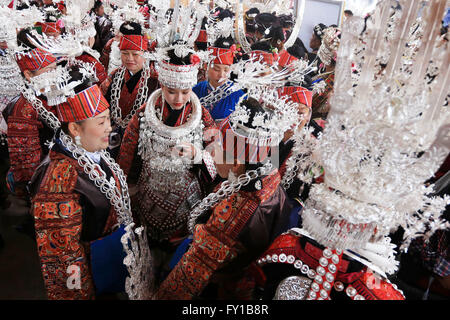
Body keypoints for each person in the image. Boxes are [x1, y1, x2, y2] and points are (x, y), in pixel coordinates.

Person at [154, 96, 295, 300]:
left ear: (237, 163)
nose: (212, 152)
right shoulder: (270, 175)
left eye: (218, 148)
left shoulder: (229, 218)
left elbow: (185, 280)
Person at [116, 45, 218, 284]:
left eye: (185, 91)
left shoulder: (202, 116)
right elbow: (128, 152)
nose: (179, 99)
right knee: (148, 243)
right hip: (149, 191)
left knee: (177, 248)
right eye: (172, 91)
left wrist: (198, 155)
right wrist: (126, 187)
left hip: (187, 196)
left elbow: (218, 156)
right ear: (161, 85)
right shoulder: (144, 114)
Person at [29, 70, 129, 300]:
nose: (109, 128)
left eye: (108, 119)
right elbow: (64, 258)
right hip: (91, 275)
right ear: (74, 129)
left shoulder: (91, 150)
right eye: (101, 121)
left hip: (107, 260)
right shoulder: (59, 183)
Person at [6, 29, 58, 199]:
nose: (56, 75)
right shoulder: (23, 109)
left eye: (55, 69)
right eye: (49, 71)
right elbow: (27, 165)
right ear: (28, 75)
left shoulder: (50, 94)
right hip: (43, 183)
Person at [100, 21, 158, 158]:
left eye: (135, 54)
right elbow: (102, 102)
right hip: (112, 134)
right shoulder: (115, 75)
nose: (129, 58)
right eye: (125, 53)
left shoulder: (155, 81)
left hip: (140, 140)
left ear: (144, 54)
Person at [193, 36, 245, 122]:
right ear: (206, 66)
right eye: (216, 69)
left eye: (226, 70)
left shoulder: (238, 95)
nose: (221, 75)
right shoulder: (196, 90)